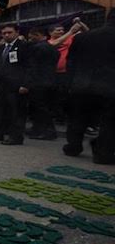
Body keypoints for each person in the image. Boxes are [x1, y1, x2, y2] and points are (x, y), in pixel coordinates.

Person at [63, 9, 115, 165]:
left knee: (78, 116)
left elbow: (70, 62)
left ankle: (73, 146)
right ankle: (102, 152)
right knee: (109, 121)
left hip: (81, 84)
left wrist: (71, 83)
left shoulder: (84, 37)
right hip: (109, 87)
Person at [26, 27, 59, 140]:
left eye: (31, 37)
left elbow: (32, 67)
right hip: (51, 80)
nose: (30, 39)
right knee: (46, 107)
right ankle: (40, 129)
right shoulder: (53, 48)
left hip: (38, 82)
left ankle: (47, 131)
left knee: (40, 108)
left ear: (38, 35)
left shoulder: (36, 48)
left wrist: (28, 82)